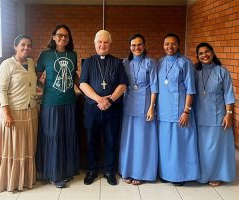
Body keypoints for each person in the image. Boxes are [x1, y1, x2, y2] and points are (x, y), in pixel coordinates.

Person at [79, 30, 128, 186]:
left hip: (112, 109)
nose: (102, 45)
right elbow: (83, 84)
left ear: (110, 44)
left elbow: (123, 84)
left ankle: (109, 171)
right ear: (95, 43)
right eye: (99, 42)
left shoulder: (117, 62)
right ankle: (92, 170)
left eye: (106, 42)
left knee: (111, 141)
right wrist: (99, 99)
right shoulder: (88, 62)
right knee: (92, 140)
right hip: (92, 109)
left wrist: (110, 100)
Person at [35, 24, 79, 188]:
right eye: (59, 35)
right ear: (53, 37)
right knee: (53, 137)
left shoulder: (72, 55)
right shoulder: (45, 55)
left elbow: (74, 76)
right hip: (50, 104)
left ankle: (66, 170)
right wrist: (44, 88)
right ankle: (54, 173)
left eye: (66, 36)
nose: (63, 38)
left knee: (66, 136)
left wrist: (89, 92)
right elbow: (34, 76)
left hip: (69, 102)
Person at [0, 35, 38, 192]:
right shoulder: (7, 65)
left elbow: (35, 82)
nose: (26, 48)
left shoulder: (31, 63)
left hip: (31, 110)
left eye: (29, 45)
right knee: (14, 148)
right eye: (23, 45)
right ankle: (11, 181)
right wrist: (7, 113)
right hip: (14, 113)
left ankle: (26, 178)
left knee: (27, 147)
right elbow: (1, 89)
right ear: (15, 46)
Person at [156, 33, 200, 186]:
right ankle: (166, 173)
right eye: (167, 44)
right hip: (163, 111)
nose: (170, 47)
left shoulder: (185, 62)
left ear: (178, 45)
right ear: (163, 45)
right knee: (166, 144)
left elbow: (190, 89)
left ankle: (180, 175)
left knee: (180, 145)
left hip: (180, 110)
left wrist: (186, 111)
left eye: (173, 43)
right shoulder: (160, 63)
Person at [194, 42, 236, 187]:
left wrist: (228, 114)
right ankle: (201, 175)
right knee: (202, 148)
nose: (204, 55)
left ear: (212, 53)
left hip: (218, 116)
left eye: (207, 52)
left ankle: (215, 175)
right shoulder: (194, 72)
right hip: (198, 116)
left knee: (216, 148)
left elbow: (229, 94)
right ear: (197, 57)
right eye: (200, 53)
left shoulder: (222, 71)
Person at [118, 34, 158, 185]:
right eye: (133, 45)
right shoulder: (124, 63)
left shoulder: (150, 62)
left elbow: (155, 87)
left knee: (142, 141)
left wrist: (151, 107)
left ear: (144, 45)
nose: (137, 48)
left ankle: (140, 172)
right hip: (129, 104)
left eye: (139, 44)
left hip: (145, 105)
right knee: (129, 140)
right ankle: (127, 170)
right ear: (130, 47)